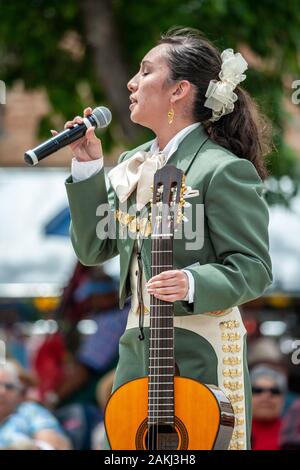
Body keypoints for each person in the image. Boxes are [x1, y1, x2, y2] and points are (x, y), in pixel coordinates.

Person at [59, 27, 273, 450]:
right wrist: (87, 170)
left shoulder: (220, 168)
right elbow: (92, 249)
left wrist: (193, 282)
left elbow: (255, 268)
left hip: (201, 349)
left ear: (179, 91)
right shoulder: (132, 165)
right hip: (138, 349)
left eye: (145, 71)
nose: (131, 83)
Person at [0, 361, 71, 450]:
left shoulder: (30, 411)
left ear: (19, 392)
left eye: (9, 386)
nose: (2, 392)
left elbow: (53, 445)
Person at [250, 365, 287, 450]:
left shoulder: (293, 434)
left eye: (274, 391)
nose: (266, 396)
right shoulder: (235, 431)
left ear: (283, 399)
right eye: (258, 390)